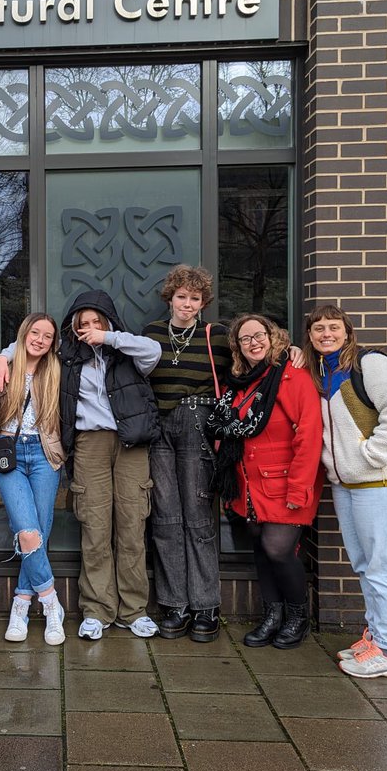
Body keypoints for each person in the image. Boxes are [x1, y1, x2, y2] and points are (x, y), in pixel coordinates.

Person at [25, 290, 162, 641]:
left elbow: (154, 351)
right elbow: (25, 350)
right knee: (95, 527)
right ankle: (97, 609)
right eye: (83, 323)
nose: (89, 329)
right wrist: (0, 359)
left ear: (108, 321)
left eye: (96, 322)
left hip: (131, 443)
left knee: (132, 526)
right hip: (89, 444)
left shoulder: (127, 352)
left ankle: (133, 611)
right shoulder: (67, 357)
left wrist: (110, 338)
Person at [305, 304, 387, 679]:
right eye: (318, 328)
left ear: (347, 331)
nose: (326, 333)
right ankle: (375, 636)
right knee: (364, 564)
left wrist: (371, 456)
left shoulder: (369, 365)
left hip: (384, 480)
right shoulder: (321, 370)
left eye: (333, 327)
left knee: (382, 566)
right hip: (349, 484)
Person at [207, 315, 323, 649]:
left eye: (260, 335)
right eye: (245, 339)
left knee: (278, 548)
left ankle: (297, 618)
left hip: (287, 482)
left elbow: (309, 433)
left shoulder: (291, 376)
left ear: (274, 337)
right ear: (238, 348)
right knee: (260, 547)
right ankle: (272, 616)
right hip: (250, 484)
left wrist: (299, 487)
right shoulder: (240, 382)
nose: (254, 342)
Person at [142, 265, 231, 641]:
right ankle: (174, 604)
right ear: (170, 297)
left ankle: (206, 606)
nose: (188, 304)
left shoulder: (218, 336)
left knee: (197, 517)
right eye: (182, 297)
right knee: (165, 517)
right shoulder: (152, 334)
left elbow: (251, 361)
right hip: (160, 427)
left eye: (195, 299)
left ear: (203, 302)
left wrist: (289, 350)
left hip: (198, 423)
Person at [0, 314, 66, 645]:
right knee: (26, 530)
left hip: (44, 454)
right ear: (23, 334)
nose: (39, 339)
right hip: (10, 453)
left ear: (53, 343)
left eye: (47, 336)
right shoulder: (6, 365)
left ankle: (21, 604)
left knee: (39, 533)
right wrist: (1, 357)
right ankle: (50, 601)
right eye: (34, 332)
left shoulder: (56, 370)